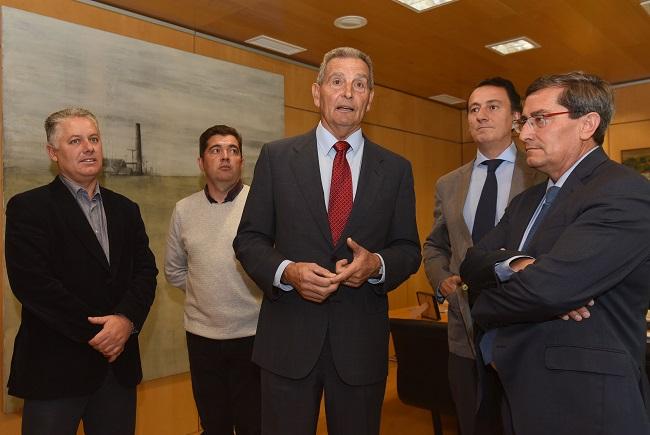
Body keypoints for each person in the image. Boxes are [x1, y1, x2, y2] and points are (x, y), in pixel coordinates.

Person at [233, 47, 421, 435]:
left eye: (359, 85)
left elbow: (408, 249)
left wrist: (375, 266)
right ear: (317, 93)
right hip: (287, 344)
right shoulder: (277, 158)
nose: (348, 93)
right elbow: (249, 239)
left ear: (371, 99)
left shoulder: (397, 170)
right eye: (337, 82)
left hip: (360, 349)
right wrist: (288, 272)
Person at [460, 72, 650, 435]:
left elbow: (547, 290)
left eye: (540, 119)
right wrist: (518, 265)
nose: (525, 133)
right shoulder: (526, 200)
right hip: (516, 389)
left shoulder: (623, 192)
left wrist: (480, 299)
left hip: (585, 401)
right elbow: (471, 261)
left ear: (587, 124)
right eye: (524, 121)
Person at [5, 107, 158, 435]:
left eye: (94, 139)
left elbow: (146, 272)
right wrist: (101, 334)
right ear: (53, 153)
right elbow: (33, 284)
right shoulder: (28, 208)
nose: (89, 147)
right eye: (75, 140)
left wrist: (126, 321)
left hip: (117, 371)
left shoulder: (126, 210)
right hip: (55, 372)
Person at [423, 77, 542, 435]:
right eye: (473, 109)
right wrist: (441, 280)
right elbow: (434, 245)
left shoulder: (540, 175)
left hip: (526, 332)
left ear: (516, 118)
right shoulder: (448, 183)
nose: (480, 115)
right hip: (465, 335)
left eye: (492, 107)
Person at [165, 124, 262, 435]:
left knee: (254, 424)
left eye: (233, 150)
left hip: (254, 336)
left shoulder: (261, 205)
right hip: (202, 339)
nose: (225, 157)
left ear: (241, 161)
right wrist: (205, 291)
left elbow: (277, 268)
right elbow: (175, 270)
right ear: (201, 162)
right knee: (214, 425)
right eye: (216, 150)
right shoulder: (183, 210)